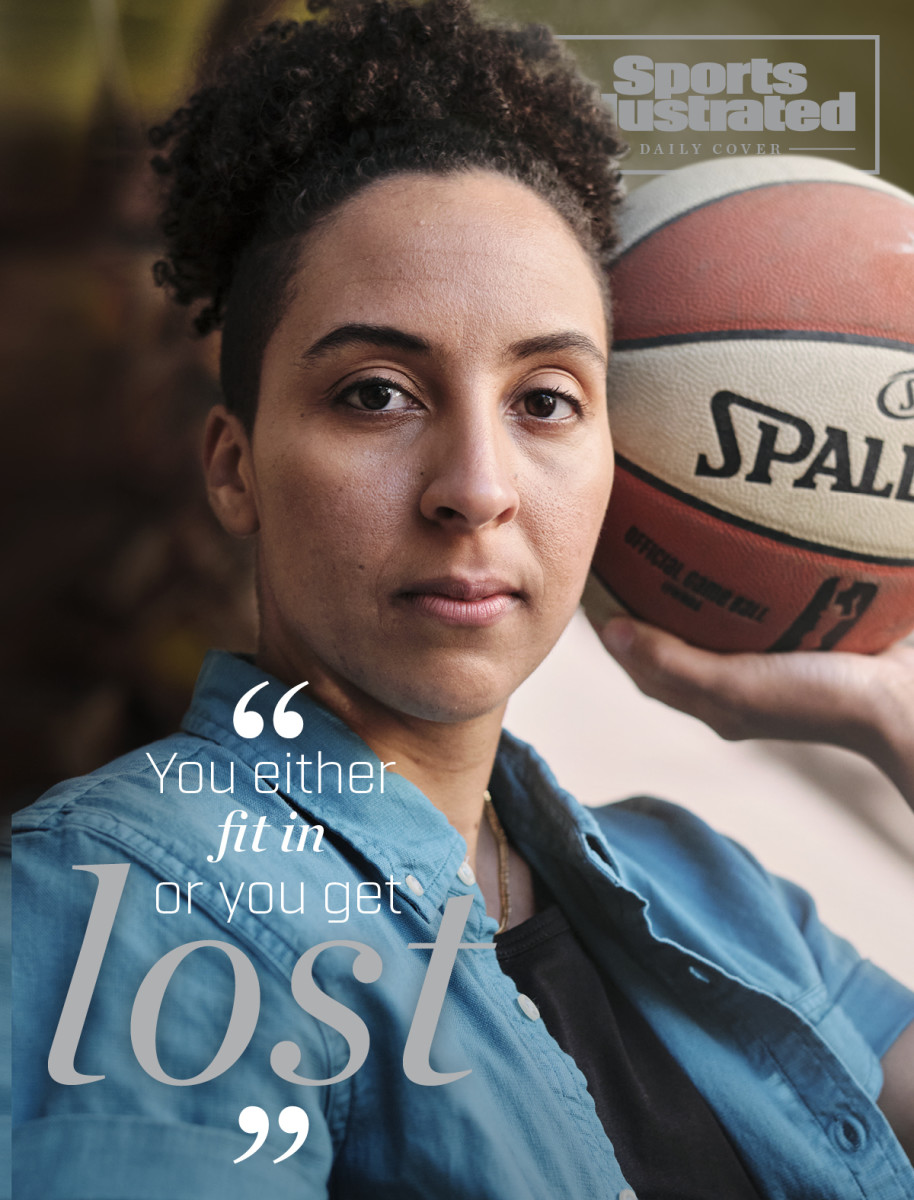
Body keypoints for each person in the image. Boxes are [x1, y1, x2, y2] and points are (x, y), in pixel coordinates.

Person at [12, 1, 914, 1196]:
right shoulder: (130, 902)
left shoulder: (712, 893)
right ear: (234, 468)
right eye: (377, 393)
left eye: (544, 400)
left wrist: (892, 719)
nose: (475, 491)